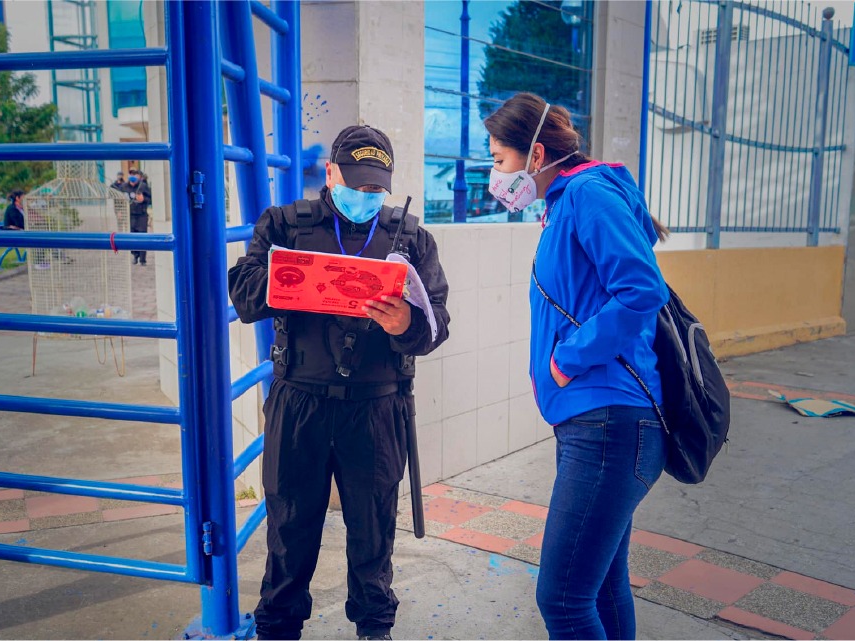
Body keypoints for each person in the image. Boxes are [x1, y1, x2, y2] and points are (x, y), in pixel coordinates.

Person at [228, 125, 450, 641]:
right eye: (356, 184)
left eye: (376, 189)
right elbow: (242, 294)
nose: (366, 197)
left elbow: (437, 324)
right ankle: (277, 630)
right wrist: (291, 284)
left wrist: (407, 325)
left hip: (376, 409)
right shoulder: (284, 225)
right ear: (331, 174)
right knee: (289, 530)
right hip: (299, 403)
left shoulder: (411, 238)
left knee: (373, 535)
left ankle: (375, 630)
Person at [483, 93, 671, 641]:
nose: (495, 173)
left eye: (499, 159)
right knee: (602, 586)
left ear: (535, 153)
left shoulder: (588, 193)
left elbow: (641, 292)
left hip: (610, 421)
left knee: (562, 598)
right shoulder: (566, 201)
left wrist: (565, 360)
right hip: (599, 421)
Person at [128, 168, 151, 265]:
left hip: (142, 215)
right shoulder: (124, 186)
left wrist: (143, 199)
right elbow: (118, 200)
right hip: (131, 215)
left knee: (142, 237)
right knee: (132, 237)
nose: (133, 176)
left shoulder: (143, 186)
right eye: (131, 174)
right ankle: (135, 255)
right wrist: (119, 212)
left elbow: (151, 199)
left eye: (135, 174)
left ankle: (142, 259)